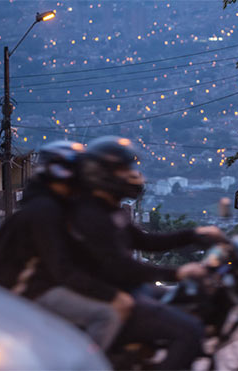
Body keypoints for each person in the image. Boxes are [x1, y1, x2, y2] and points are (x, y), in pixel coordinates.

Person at [68, 136, 225, 369]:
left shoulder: (112, 210)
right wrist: (178, 272)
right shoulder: (91, 216)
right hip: (112, 298)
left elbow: (147, 241)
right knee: (189, 331)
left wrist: (195, 234)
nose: (132, 175)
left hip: (131, 291)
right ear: (101, 174)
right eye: (123, 169)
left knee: (192, 299)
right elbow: (123, 267)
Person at [0, 141, 133, 350]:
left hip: (29, 288)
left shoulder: (49, 205)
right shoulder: (46, 210)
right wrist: (111, 295)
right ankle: (84, 365)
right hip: (22, 292)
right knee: (107, 314)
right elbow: (62, 268)